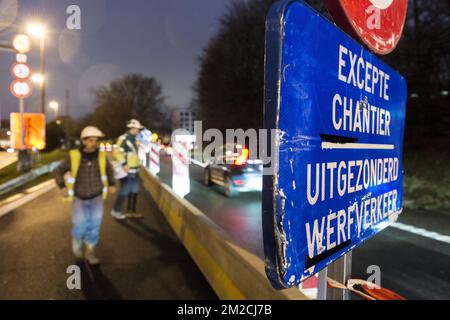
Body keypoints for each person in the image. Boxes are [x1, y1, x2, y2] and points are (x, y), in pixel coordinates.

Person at [54, 126, 116, 265]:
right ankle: (77, 248)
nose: (94, 143)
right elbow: (57, 171)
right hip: (79, 199)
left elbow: (109, 170)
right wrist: (62, 185)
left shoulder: (101, 156)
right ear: (83, 141)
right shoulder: (73, 156)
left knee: (94, 226)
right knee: (80, 225)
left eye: (96, 140)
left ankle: (90, 252)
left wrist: (112, 183)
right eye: (91, 140)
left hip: (96, 198)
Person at [111, 119, 144, 220]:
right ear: (132, 128)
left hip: (135, 169)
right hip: (127, 170)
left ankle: (131, 211)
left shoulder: (134, 139)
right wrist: (124, 164)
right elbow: (117, 153)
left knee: (134, 191)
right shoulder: (124, 138)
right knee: (125, 190)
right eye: (137, 129)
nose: (138, 131)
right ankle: (117, 210)